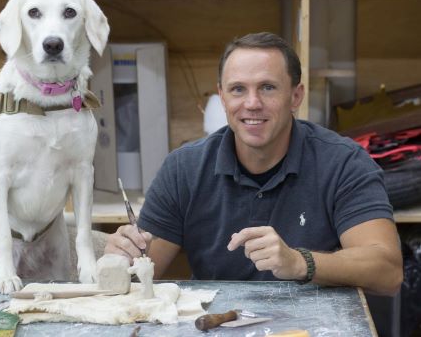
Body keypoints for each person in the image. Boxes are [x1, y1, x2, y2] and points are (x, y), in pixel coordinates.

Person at [105, 32, 403, 296]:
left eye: (267, 88)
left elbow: (388, 272)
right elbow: (143, 270)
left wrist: (300, 262)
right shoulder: (184, 168)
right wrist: (122, 257)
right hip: (215, 326)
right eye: (238, 89)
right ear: (221, 97)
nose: (251, 103)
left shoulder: (344, 163)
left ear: (295, 96)